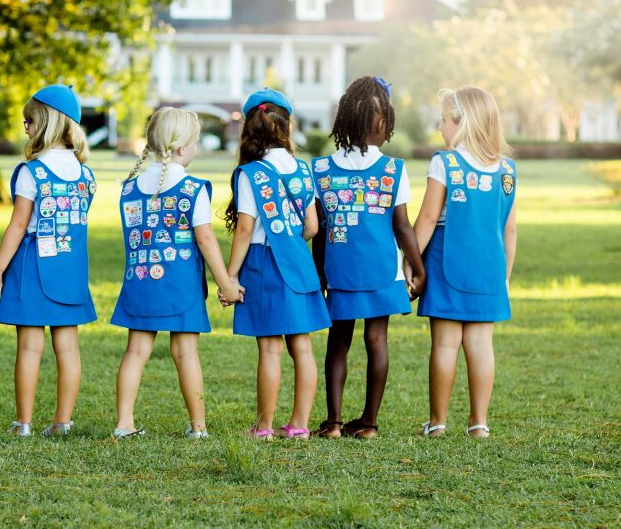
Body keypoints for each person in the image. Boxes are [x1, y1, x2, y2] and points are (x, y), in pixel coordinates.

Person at [110, 107, 244, 439]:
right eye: (196, 142)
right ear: (183, 148)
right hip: (180, 288)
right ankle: (198, 427)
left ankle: (124, 423)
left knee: (135, 352)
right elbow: (206, 239)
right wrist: (225, 282)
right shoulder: (193, 189)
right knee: (186, 353)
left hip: (139, 284)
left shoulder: (129, 189)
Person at [310, 76, 426, 439]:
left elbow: (319, 232)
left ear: (344, 120)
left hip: (339, 270)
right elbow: (403, 227)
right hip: (382, 270)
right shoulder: (393, 169)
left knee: (338, 342)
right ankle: (370, 423)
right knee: (377, 340)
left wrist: (320, 275)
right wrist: (419, 270)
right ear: (383, 123)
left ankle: (332, 422)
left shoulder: (320, 170)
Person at [0, 84, 95, 437]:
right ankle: (63, 422)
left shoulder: (31, 173)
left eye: (29, 120)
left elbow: (18, 226)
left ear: (46, 123)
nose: (25, 127)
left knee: (30, 347)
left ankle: (24, 423)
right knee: (68, 348)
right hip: (71, 270)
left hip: (32, 266)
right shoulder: (86, 175)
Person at [223, 89, 331, 440]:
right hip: (299, 264)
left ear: (249, 129)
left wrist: (230, 274)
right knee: (302, 347)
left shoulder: (249, 174)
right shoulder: (303, 169)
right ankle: (299, 426)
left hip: (263, 263)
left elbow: (244, 228)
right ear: (286, 126)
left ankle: (264, 427)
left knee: (270, 347)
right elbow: (313, 227)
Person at [411, 86, 517, 438]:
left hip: (447, 262)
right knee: (482, 345)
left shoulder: (445, 162)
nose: (440, 126)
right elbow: (510, 229)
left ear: (462, 122)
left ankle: (438, 422)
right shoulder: (507, 170)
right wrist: (505, 277)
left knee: (444, 344)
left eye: (443, 119)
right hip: (489, 267)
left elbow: (427, 220)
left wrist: (408, 262)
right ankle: (479, 423)